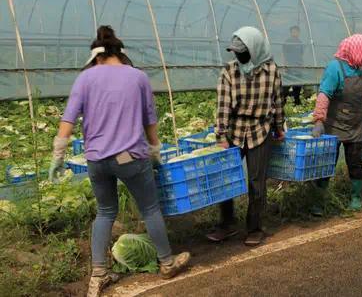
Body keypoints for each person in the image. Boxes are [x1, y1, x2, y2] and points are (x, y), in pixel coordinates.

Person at [48, 26, 190, 297]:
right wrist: (156, 151)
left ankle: (98, 274)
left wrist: (58, 156)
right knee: (149, 209)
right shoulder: (138, 77)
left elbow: (67, 121)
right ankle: (167, 262)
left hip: (97, 160)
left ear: (97, 57)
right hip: (130, 158)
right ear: (121, 55)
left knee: (104, 212)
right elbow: (150, 121)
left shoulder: (85, 79)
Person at [207, 26, 286, 246]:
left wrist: (279, 127)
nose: (239, 56)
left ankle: (255, 227)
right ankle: (227, 223)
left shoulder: (271, 71)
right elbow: (222, 105)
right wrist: (221, 136)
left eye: (243, 52)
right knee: (226, 178)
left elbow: (277, 101)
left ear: (256, 50)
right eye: (236, 53)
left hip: (260, 130)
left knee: (256, 181)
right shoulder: (229, 71)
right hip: (234, 130)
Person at [310, 34, 362, 213]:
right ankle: (319, 201)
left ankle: (356, 197)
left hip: (355, 125)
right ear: (355, 50)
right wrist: (319, 120)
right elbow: (324, 94)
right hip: (334, 125)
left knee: (355, 163)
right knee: (327, 163)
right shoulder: (336, 68)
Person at [282, 26, 305, 106]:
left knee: (298, 85)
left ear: (299, 33)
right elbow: (284, 54)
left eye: (296, 31)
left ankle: (297, 101)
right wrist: (285, 65)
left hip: (298, 67)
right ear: (291, 32)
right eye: (293, 31)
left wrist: (302, 64)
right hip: (290, 66)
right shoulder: (287, 42)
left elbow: (301, 54)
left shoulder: (300, 42)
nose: (295, 33)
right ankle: (283, 100)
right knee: (287, 85)